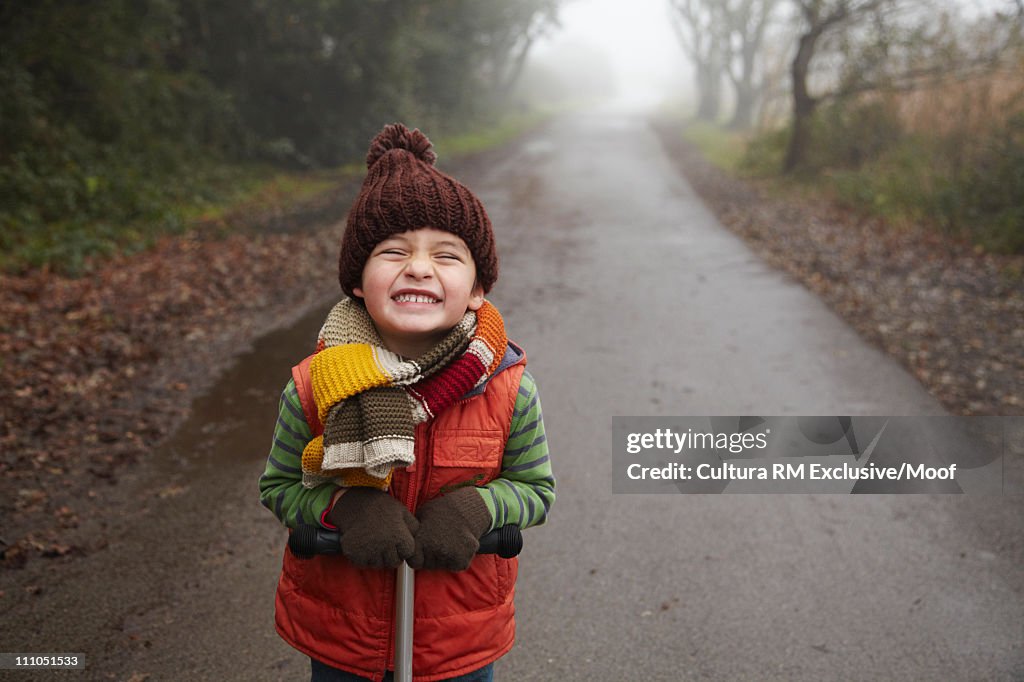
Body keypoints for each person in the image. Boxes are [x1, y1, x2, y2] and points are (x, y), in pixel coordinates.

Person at [258, 122, 555, 682]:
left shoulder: (509, 388)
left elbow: (536, 491)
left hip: (457, 641)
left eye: (446, 255)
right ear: (357, 281)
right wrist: (342, 509)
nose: (418, 267)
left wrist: (480, 509)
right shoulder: (314, 384)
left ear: (476, 289)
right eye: (393, 252)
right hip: (343, 637)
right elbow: (278, 489)